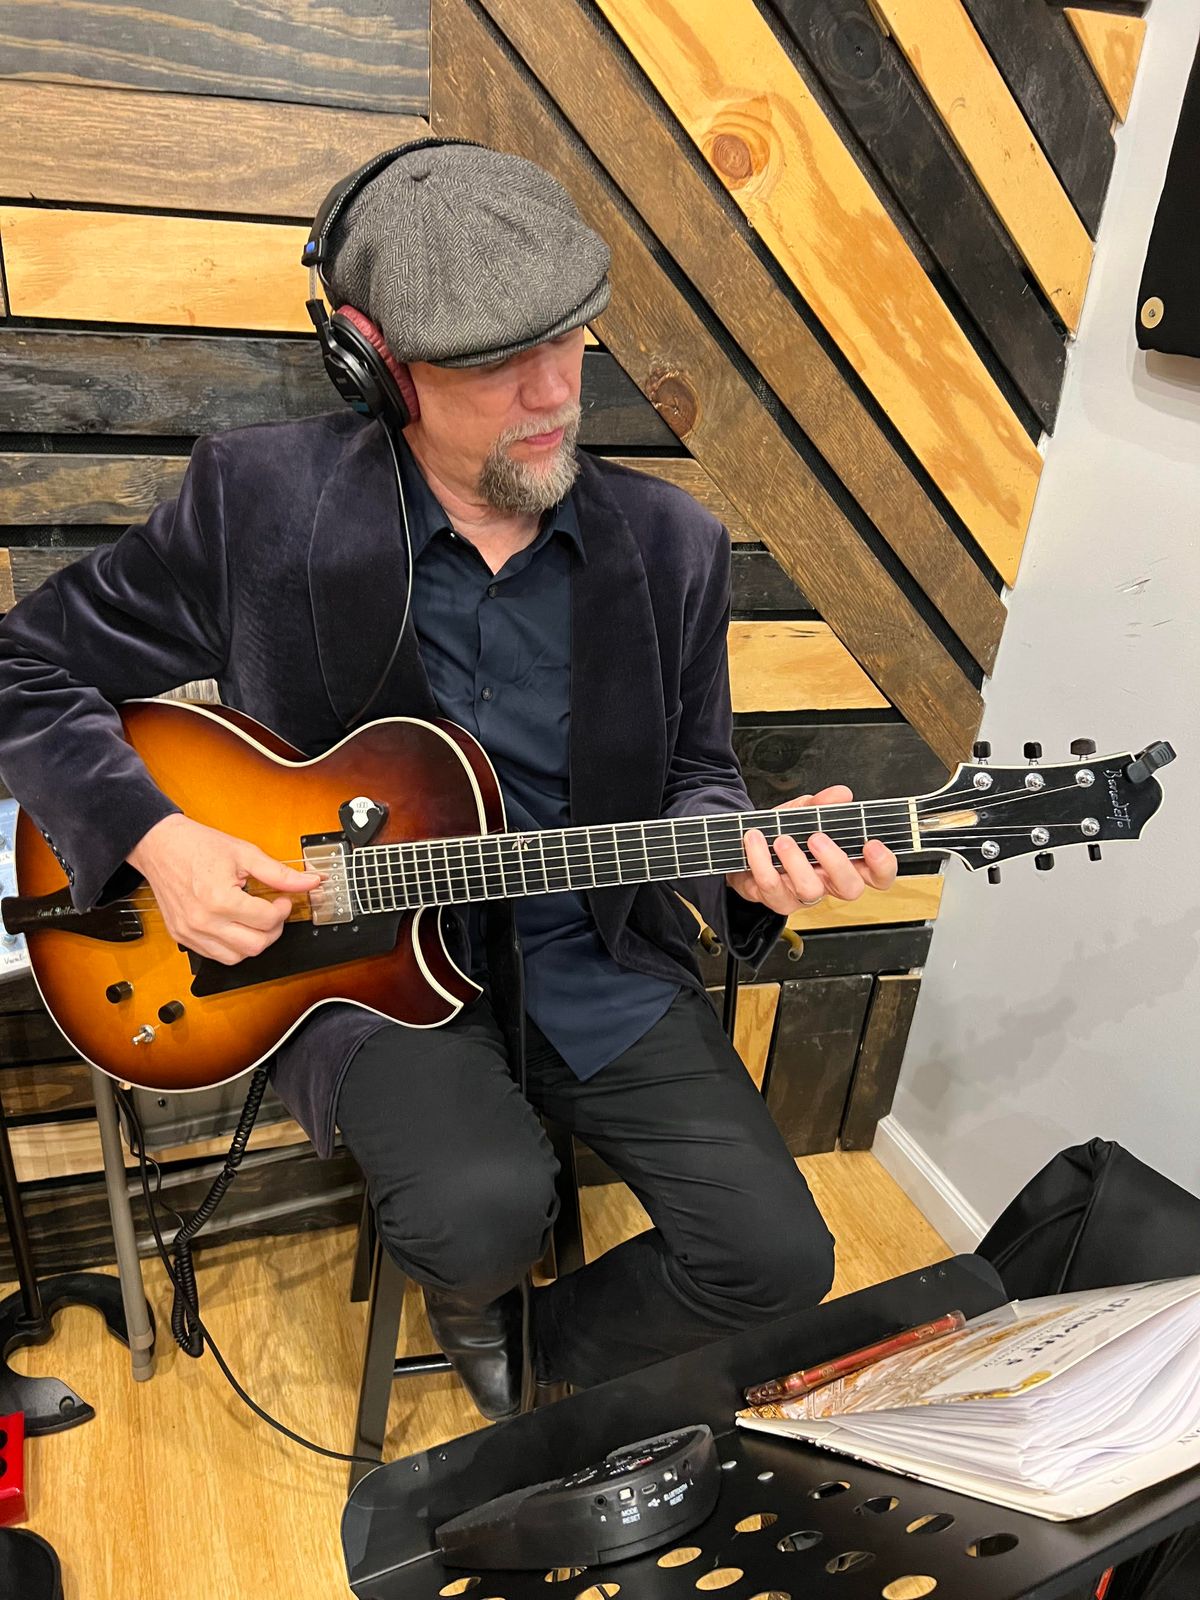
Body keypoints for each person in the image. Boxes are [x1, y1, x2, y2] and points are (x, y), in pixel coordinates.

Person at [0, 141, 898, 1418]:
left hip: (588, 947)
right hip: (347, 963)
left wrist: (750, 863)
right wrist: (155, 836)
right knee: (481, 1211)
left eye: (569, 335)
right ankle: (469, 1289)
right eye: (492, 362)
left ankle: (540, 1345)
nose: (552, 391)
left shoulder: (675, 546)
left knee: (779, 1259)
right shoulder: (258, 501)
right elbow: (21, 668)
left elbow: (697, 776)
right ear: (376, 366)